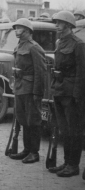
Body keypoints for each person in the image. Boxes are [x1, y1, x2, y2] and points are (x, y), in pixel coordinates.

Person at [48, 11, 85, 177]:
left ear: (69, 25)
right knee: (64, 129)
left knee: (74, 130)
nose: (56, 25)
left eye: (59, 22)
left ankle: (73, 165)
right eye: (56, 22)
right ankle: (66, 162)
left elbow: (82, 72)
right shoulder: (59, 42)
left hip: (71, 93)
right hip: (59, 90)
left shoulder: (78, 44)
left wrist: (77, 96)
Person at [9, 18, 46, 163]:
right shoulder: (19, 46)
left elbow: (40, 72)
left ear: (27, 31)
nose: (16, 31)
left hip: (30, 89)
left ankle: (34, 152)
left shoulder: (34, 47)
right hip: (20, 87)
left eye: (19, 28)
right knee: (23, 119)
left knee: (33, 121)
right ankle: (26, 149)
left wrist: (38, 93)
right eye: (16, 28)